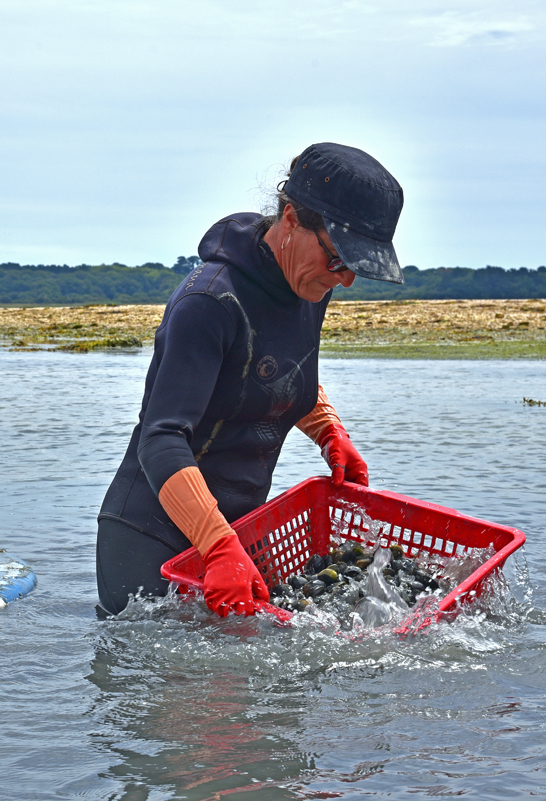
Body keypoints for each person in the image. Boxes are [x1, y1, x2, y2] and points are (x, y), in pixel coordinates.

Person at [96, 142, 405, 617]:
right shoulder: (208, 303)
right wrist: (218, 548)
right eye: (338, 259)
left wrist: (329, 432)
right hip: (149, 544)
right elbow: (161, 440)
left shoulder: (308, 288)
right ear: (292, 219)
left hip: (238, 536)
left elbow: (275, 373)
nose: (344, 280)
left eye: (356, 268)